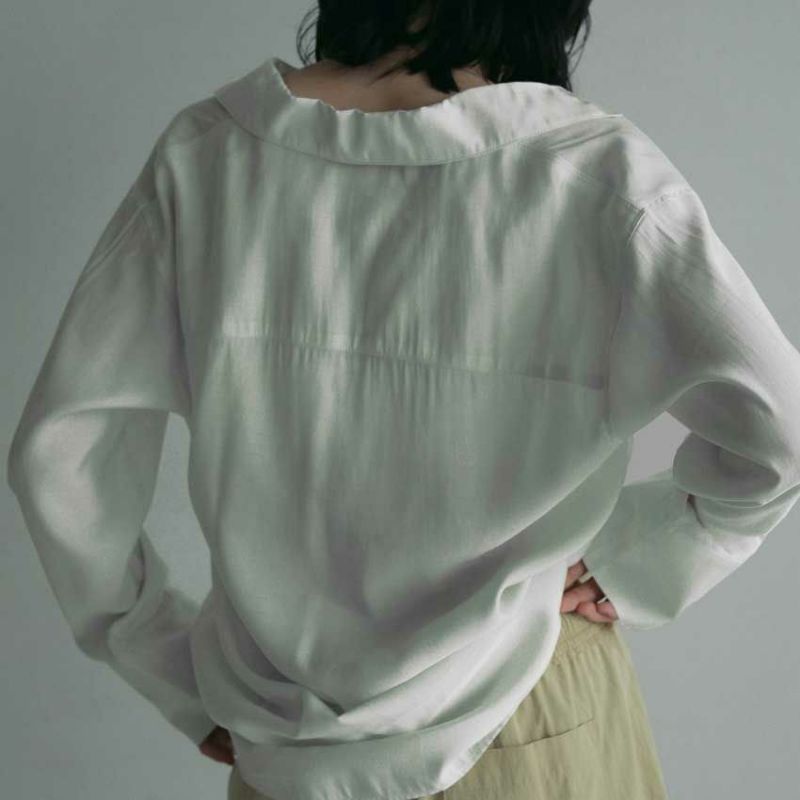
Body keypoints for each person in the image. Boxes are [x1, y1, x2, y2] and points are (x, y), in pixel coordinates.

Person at [8, 1, 800, 799]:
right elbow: (785, 430)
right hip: (529, 708)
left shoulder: (208, 156)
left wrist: (168, 663)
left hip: (286, 734)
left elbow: (61, 458)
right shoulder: (597, 173)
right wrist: (647, 552)